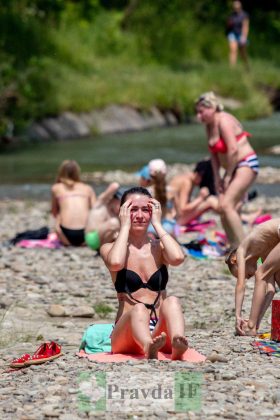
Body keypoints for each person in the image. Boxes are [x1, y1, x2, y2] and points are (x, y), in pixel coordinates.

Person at [100, 186, 188, 360]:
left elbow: (178, 258)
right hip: (128, 331)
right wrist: (124, 226)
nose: (140, 215)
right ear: (123, 212)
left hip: (159, 329)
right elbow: (116, 263)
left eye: (146, 210)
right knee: (138, 309)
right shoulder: (109, 248)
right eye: (133, 209)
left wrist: (157, 224)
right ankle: (148, 346)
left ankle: (178, 342)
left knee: (172, 301)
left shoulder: (160, 247)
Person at [195, 92, 259, 247]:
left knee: (227, 205)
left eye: (201, 112)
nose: (199, 116)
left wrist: (228, 175)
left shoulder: (224, 120)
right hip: (231, 168)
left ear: (212, 108)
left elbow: (233, 150)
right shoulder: (209, 126)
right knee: (222, 206)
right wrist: (217, 177)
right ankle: (233, 245)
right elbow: (213, 154)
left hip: (245, 163)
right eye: (197, 112)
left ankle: (244, 249)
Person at [225, 218, 280, 336]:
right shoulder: (265, 252)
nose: (246, 277)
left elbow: (240, 285)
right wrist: (258, 321)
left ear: (234, 260)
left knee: (260, 274)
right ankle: (253, 325)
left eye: (242, 274)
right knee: (276, 277)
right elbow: (271, 290)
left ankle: (250, 327)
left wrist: (238, 316)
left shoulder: (241, 251)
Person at [51, 160, 96, 246]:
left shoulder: (56, 188)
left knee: (60, 215)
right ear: (77, 173)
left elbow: (54, 212)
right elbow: (96, 211)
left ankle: (67, 242)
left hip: (66, 233)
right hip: (86, 234)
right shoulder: (87, 188)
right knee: (93, 214)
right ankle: (85, 242)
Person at [168, 159, 218, 225]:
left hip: (170, 215)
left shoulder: (185, 177)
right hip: (174, 220)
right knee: (210, 202)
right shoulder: (187, 183)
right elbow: (183, 208)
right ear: (199, 175)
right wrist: (201, 198)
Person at [138, 159, 176, 235]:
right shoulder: (172, 191)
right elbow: (175, 212)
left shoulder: (146, 192)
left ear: (150, 174)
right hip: (168, 227)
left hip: (151, 227)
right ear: (165, 173)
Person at [85, 182, 122, 250]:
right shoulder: (101, 204)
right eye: (120, 202)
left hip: (103, 237)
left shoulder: (115, 213)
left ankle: (107, 249)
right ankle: (102, 249)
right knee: (114, 223)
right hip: (92, 238)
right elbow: (115, 186)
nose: (121, 205)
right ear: (113, 199)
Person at [226, 1, 250, 68]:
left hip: (241, 34)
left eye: (237, 7)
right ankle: (232, 68)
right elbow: (228, 25)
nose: (236, 9)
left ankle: (246, 66)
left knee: (242, 52)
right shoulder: (231, 15)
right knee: (233, 50)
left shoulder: (244, 15)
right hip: (232, 33)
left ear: (240, 7)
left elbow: (245, 26)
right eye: (234, 7)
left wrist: (244, 36)